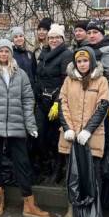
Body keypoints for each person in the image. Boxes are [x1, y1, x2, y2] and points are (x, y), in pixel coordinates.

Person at [0, 39, 50, 217]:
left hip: (16, 125)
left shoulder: (20, 74)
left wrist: (31, 126)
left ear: (11, 53)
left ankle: (29, 204)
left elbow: (27, 101)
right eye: (0, 51)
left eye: (6, 51)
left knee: (22, 163)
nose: (3, 54)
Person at [57, 46, 109, 217]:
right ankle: (72, 209)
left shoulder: (101, 81)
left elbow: (102, 106)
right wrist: (68, 127)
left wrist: (88, 130)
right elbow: (62, 104)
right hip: (71, 136)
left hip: (91, 137)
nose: (82, 64)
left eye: (85, 61)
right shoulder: (69, 81)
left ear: (92, 61)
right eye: (79, 61)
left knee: (92, 176)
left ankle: (91, 215)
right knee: (72, 175)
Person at [34, 23, 73, 184]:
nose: (53, 40)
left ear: (62, 39)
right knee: (40, 135)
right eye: (51, 37)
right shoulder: (44, 53)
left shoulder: (66, 54)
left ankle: (58, 169)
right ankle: (45, 165)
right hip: (42, 102)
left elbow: (66, 80)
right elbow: (39, 77)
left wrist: (58, 102)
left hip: (57, 103)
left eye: (57, 37)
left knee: (56, 138)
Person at [85, 20, 109, 152]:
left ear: (102, 34)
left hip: (104, 103)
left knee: (103, 139)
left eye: (95, 32)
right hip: (89, 101)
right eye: (88, 32)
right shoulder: (89, 49)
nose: (91, 35)